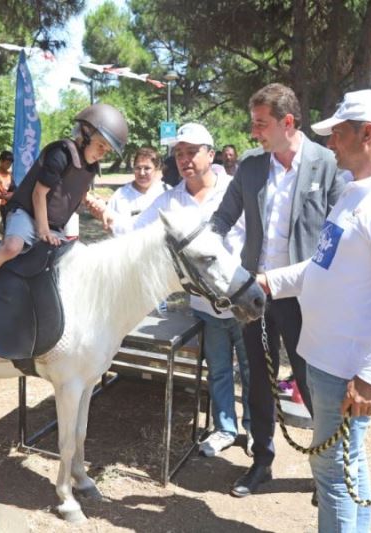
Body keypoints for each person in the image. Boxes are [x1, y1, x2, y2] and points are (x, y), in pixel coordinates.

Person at [257, 89, 371, 531]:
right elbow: (321, 266)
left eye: (338, 133)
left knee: (335, 476)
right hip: (322, 360)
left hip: (348, 368)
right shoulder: (354, 193)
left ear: (367, 133)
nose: (331, 143)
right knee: (343, 471)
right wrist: (268, 282)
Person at [211, 83, 344, 497]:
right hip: (254, 295)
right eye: (253, 124)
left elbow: (341, 236)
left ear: (288, 123)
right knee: (257, 382)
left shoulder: (328, 164)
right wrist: (199, 250)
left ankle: (325, 472)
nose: (254, 132)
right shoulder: (251, 166)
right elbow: (221, 220)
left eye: (261, 124)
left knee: (311, 384)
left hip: (306, 297)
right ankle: (261, 461)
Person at [97, 123, 252, 458]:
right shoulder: (169, 200)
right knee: (219, 368)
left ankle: (255, 429)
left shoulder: (235, 188)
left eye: (192, 152)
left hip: (240, 296)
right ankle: (225, 428)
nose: (184, 159)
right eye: (179, 153)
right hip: (205, 301)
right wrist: (109, 218)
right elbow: (136, 233)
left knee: (251, 368)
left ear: (210, 154)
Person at [0, 103, 127, 284]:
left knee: (69, 265)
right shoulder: (61, 154)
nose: (102, 154)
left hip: (54, 227)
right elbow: (39, 194)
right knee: (12, 247)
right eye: (101, 145)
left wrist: (103, 210)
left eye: (107, 151)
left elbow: (80, 192)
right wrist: (43, 230)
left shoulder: (90, 167)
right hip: (26, 213)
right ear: (85, 133)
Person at [96, 147, 170, 222]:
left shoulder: (167, 192)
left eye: (147, 168)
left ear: (156, 169)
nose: (142, 173)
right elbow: (110, 225)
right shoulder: (120, 195)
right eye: (138, 168)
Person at [0, 150, 15, 233]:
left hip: (12, 204)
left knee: (12, 226)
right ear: (1, 161)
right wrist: (5, 196)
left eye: (10, 164)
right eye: (7, 163)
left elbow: (14, 188)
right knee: (7, 228)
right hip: (4, 205)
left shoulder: (10, 174)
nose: (8, 166)